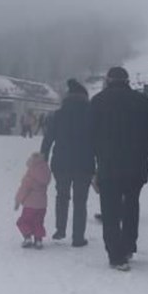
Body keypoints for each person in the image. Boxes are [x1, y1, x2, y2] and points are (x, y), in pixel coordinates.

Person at [89, 66, 148, 271]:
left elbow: (89, 136)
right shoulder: (142, 101)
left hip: (108, 166)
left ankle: (116, 255)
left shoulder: (98, 101)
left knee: (110, 211)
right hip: (136, 166)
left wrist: (92, 164)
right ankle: (128, 246)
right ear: (127, 81)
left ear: (108, 80)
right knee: (131, 206)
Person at [40, 78, 95, 247]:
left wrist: (43, 159)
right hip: (84, 163)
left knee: (62, 196)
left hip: (61, 163)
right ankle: (78, 237)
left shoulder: (58, 115)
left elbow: (48, 139)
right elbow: (98, 140)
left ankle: (60, 230)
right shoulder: (91, 114)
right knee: (80, 200)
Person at [14, 152, 51, 249]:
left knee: (23, 221)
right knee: (38, 222)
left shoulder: (30, 176)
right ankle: (38, 241)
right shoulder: (45, 171)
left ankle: (27, 238)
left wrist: (17, 201)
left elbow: (23, 189)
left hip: (30, 205)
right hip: (42, 206)